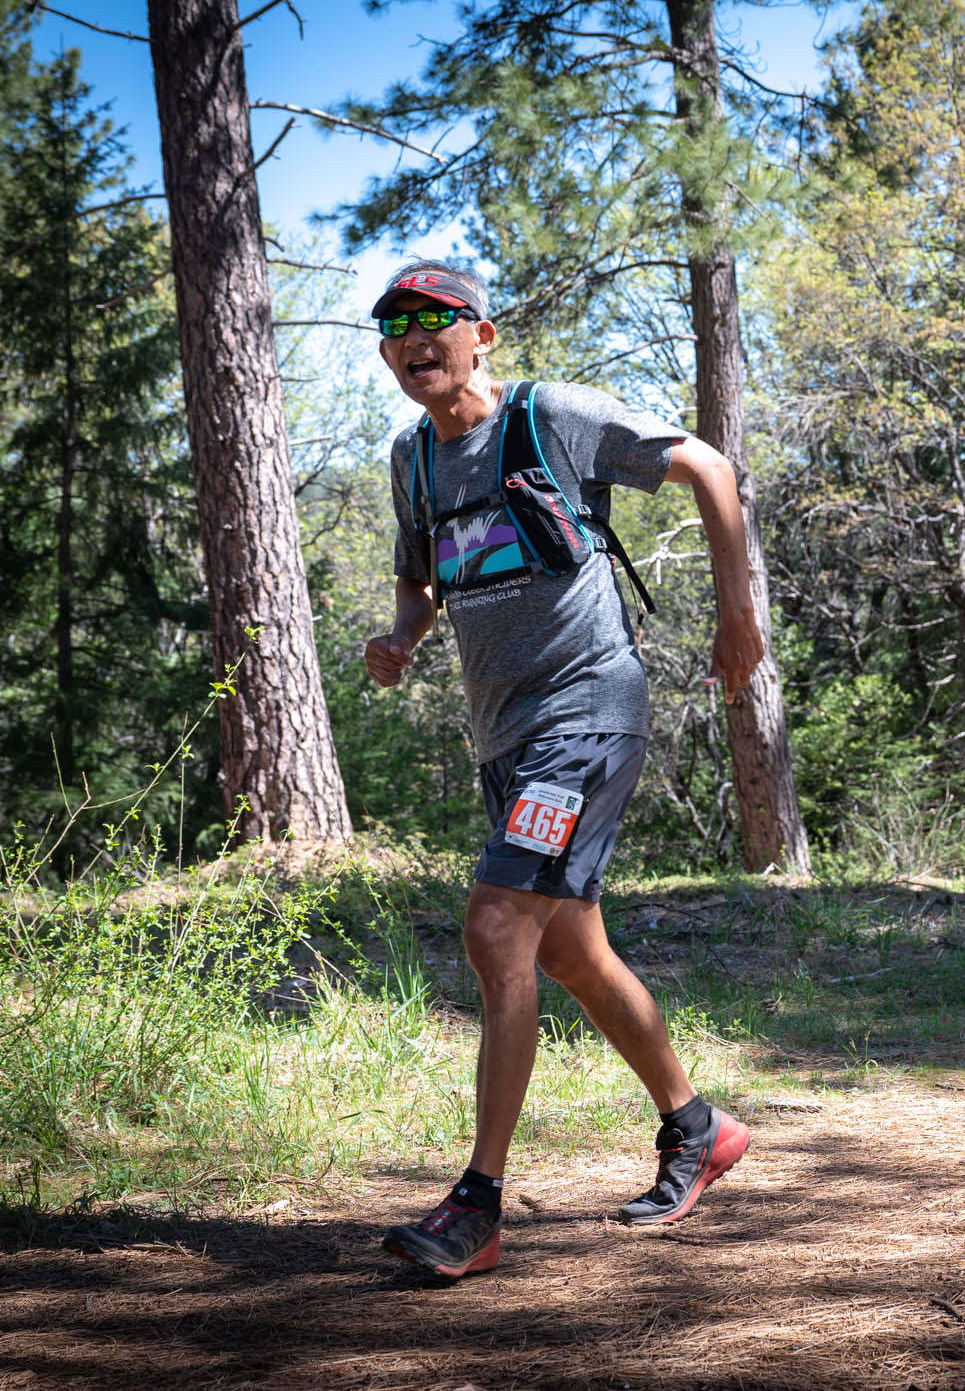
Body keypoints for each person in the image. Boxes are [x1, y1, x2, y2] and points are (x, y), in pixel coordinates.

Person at [361, 261, 762, 1276]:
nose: (416, 341)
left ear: (480, 334)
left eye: (435, 322)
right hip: (504, 740)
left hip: (585, 715)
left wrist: (737, 616)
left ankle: (478, 1203)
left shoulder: (554, 417)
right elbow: (421, 580)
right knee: (568, 953)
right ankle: (697, 1127)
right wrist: (401, 638)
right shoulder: (413, 460)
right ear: (382, 353)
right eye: (396, 328)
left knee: (496, 927)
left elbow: (709, 468)